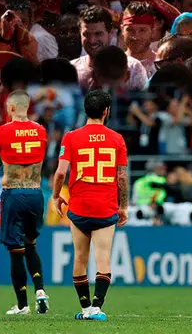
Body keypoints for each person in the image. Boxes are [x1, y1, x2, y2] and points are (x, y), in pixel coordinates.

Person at [52, 89, 129, 321]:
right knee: (103, 257)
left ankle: (85, 308)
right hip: (105, 206)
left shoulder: (70, 137)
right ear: (106, 111)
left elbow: (60, 173)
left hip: (79, 206)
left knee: (79, 258)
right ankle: (97, 307)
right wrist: (123, 206)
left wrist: (56, 195)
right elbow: (122, 176)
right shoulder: (117, 139)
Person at [0, 90, 49, 315]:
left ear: (11, 107)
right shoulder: (40, 130)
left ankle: (22, 305)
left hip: (13, 193)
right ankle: (40, 291)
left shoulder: (2, 131)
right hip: (35, 193)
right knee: (31, 243)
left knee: (16, 250)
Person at [71, 5, 147, 90]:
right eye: (87, 34)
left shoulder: (133, 67)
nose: (92, 40)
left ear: (111, 33)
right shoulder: (71, 70)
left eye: (98, 34)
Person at [122, 1, 157, 76]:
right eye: (130, 30)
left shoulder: (161, 65)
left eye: (142, 30)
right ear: (122, 30)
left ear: (152, 31)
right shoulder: (114, 65)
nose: (136, 37)